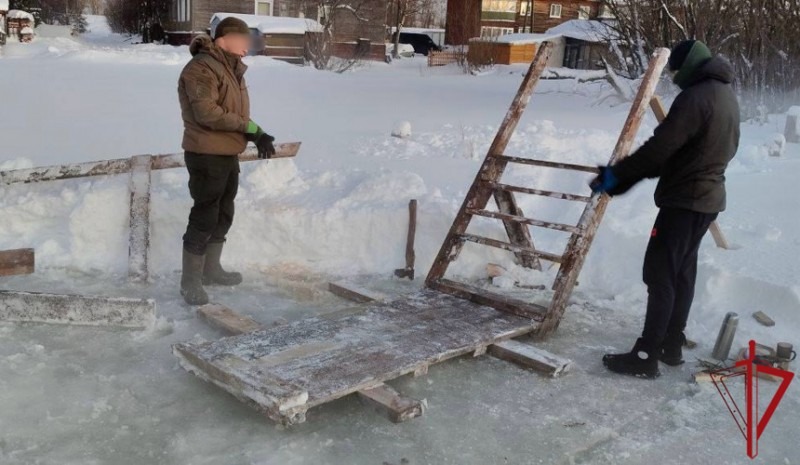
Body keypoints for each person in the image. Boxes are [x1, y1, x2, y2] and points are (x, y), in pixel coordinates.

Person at [590, 40, 740, 378]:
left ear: (688, 66)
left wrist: (619, 175)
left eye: (675, 70)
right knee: (681, 272)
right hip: (706, 199)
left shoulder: (696, 97)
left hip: (685, 201)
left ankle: (645, 356)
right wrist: (627, 179)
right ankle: (670, 345)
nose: (673, 77)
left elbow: (661, 148)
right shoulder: (724, 95)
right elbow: (685, 152)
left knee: (659, 274)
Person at [177, 17, 277, 305]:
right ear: (226, 38)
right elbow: (207, 113)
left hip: (226, 152)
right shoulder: (201, 68)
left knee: (223, 213)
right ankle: (190, 281)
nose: (249, 46)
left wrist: (257, 133)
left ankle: (211, 270)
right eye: (244, 39)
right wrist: (249, 129)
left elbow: (235, 114)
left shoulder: (230, 70)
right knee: (205, 214)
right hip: (205, 153)